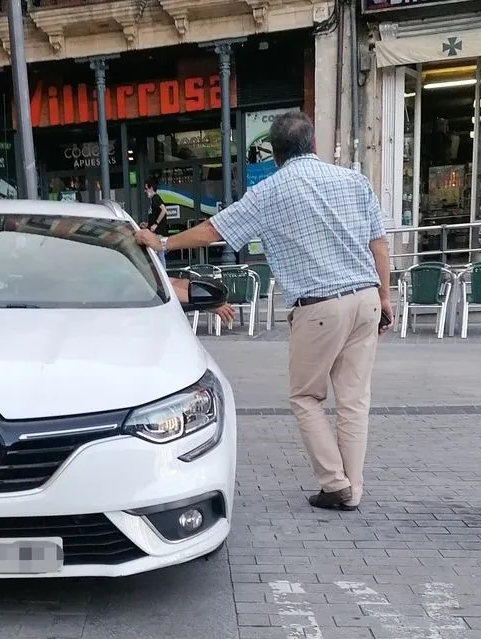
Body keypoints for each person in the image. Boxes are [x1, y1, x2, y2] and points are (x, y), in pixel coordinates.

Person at [134, 111, 392, 512]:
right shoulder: (355, 181)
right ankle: (353, 489)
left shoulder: (270, 192)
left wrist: (162, 244)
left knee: (306, 397)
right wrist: (386, 298)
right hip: (366, 299)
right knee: (354, 400)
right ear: (315, 145)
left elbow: (215, 230)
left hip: (320, 307)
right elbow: (379, 244)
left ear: (274, 154)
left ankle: (335, 483)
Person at [144, 181, 169, 267]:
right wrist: (148, 224)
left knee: (159, 254)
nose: (145, 191)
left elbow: (164, 210)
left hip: (158, 232)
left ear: (151, 189)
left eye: (146, 189)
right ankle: (162, 274)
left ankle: (163, 275)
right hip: (156, 232)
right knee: (159, 254)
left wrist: (155, 224)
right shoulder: (154, 199)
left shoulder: (155, 197)